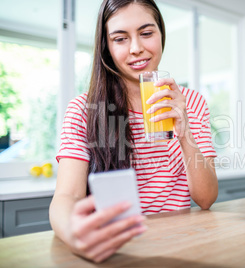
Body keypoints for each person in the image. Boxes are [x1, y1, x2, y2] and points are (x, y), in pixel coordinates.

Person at [49, 0, 218, 263]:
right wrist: (73, 232)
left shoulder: (191, 102)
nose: (137, 49)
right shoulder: (84, 108)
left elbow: (206, 199)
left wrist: (185, 133)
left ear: (161, 33)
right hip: (118, 247)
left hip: (181, 246)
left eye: (147, 33)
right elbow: (67, 196)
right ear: (107, 46)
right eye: (120, 39)